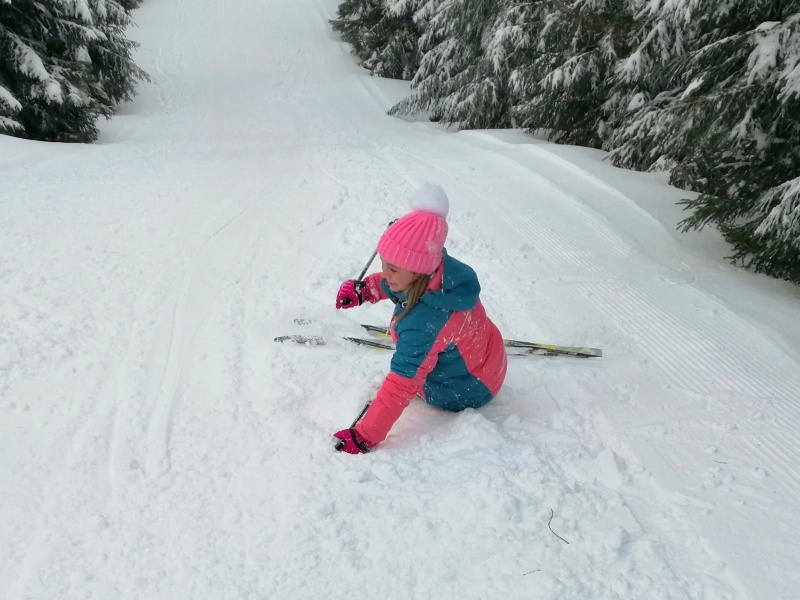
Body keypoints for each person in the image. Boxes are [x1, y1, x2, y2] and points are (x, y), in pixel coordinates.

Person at [332, 184, 508, 454]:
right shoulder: (443, 272)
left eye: (392, 268)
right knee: (423, 320)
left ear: (419, 270)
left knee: (413, 368)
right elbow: (399, 280)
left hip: (465, 390)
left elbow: (401, 385)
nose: (385, 273)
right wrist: (367, 289)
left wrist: (365, 435)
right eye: (383, 263)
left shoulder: (424, 326)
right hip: (489, 356)